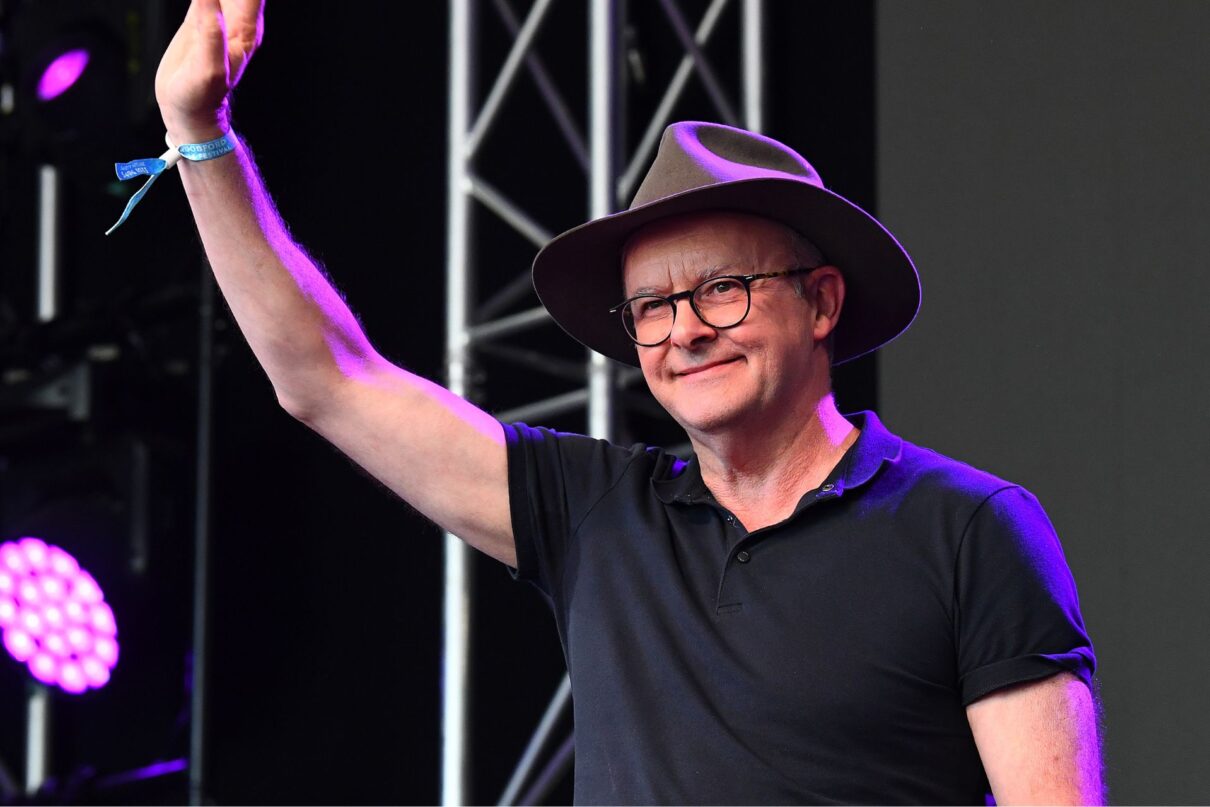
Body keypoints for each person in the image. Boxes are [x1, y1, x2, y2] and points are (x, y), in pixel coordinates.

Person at [154, 1, 1102, 803]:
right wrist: (200, 134)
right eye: (651, 306)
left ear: (820, 300)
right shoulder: (598, 514)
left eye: (721, 288)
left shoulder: (970, 528)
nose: (684, 330)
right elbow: (327, 377)